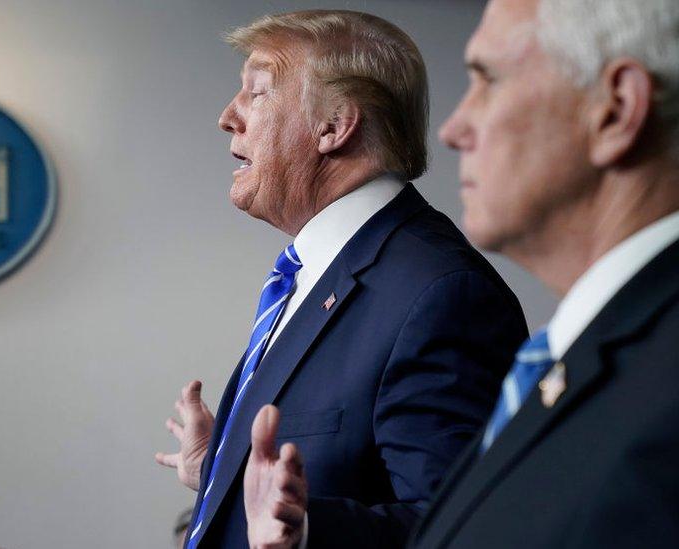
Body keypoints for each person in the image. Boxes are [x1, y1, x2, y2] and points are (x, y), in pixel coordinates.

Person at [245, 1, 679, 548]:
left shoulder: (660, 375)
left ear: (615, 109)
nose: (451, 129)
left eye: (488, 80)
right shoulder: (589, 354)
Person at [154, 10, 527, 549]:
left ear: (333, 126)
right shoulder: (319, 270)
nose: (227, 117)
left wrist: (307, 529)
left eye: (257, 92)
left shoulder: (441, 294)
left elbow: (468, 525)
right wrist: (222, 466)